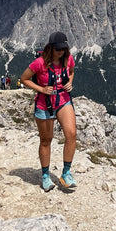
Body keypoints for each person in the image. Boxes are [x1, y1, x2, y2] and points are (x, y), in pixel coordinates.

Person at [20, 31, 77, 192]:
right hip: (44, 104)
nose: (61, 51)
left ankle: (66, 173)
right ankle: (45, 175)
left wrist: (70, 82)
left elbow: (71, 71)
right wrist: (41, 89)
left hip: (63, 100)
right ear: (50, 48)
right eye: (58, 49)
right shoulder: (39, 63)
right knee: (46, 140)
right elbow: (24, 79)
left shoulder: (68, 59)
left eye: (63, 48)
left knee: (71, 134)